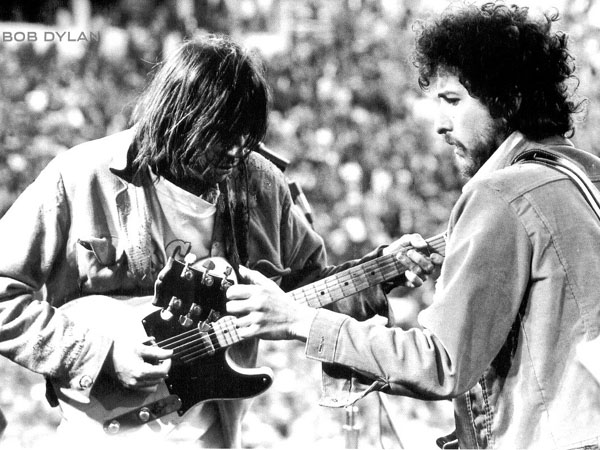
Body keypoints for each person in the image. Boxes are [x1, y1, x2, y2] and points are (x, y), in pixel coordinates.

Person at [0, 34, 435, 447]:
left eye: (245, 137)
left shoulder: (263, 186)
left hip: (213, 436)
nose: (235, 151)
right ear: (176, 117)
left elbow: (303, 293)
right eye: (220, 134)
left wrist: (379, 273)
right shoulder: (80, 176)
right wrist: (101, 354)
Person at [226, 3, 600, 449]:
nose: (440, 125)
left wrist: (300, 320)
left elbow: (441, 363)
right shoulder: (586, 178)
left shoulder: (500, 194)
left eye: (453, 101)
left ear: (509, 100)